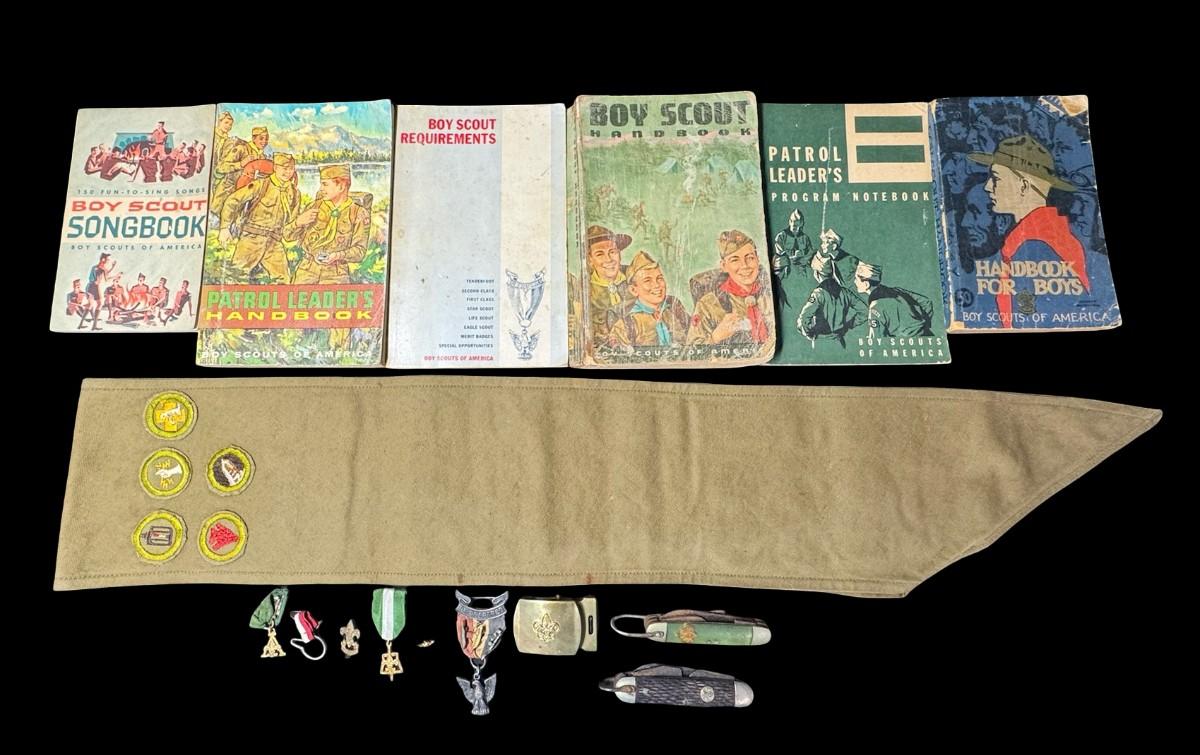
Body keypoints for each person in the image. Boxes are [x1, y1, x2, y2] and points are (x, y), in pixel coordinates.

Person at [967, 134, 1087, 328]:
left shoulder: (1033, 245)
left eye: (996, 178)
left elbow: (1028, 322)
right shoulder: (1048, 235)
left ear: (1023, 186)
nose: (988, 186)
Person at [218, 152, 299, 282]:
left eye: (291, 168)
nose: (288, 172)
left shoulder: (294, 193)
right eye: (284, 168)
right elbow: (233, 200)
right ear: (275, 168)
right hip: (251, 239)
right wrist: (224, 228)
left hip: (274, 243)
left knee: (283, 280)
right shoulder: (261, 185)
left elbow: (292, 220)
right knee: (235, 277)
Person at [285, 164, 370, 285]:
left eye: (325, 184)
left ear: (341, 186)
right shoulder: (314, 206)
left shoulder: (358, 213)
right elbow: (287, 236)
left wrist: (337, 255)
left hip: (336, 274)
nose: (321, 189)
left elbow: (359, 251)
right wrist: (298, 222)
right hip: (307, 269)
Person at [687, 229, 771, 346]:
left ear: (758, 260)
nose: (744, 266)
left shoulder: (769, 293)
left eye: (750, 258)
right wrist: (716, 337)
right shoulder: (708, 304)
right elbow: (691, 350)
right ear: (724, 266)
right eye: (735, 260)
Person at [610, 251, 689, 347]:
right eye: (647, 281)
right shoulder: (625, 326)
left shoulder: (675, 311)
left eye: (660, 278)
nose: (657, 285)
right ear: (633, 290)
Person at [853, 261, 934, 338]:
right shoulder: (897, 290)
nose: (854, 282)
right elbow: (926, 302)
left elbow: (876, 340)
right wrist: (922, 325)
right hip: (928, 336)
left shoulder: (875, 306)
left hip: (907, 344)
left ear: (866, 284)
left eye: (856, 279)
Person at [583, 224, 633, 347]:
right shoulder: (583, 289)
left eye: (612, 252)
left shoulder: (635, 278)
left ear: (619, 255)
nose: (609, 259)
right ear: (590, 260)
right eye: (600, 254)